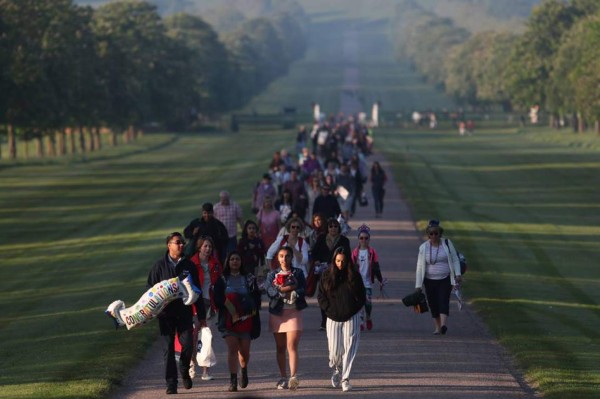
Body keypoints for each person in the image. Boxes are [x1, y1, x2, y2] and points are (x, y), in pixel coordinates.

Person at [146, 232, 207, 395]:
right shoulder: (159, 267)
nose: (182, 245)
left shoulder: (189, 266)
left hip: (184, 312)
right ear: (169, 245)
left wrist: (202, 316)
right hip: (165, 315)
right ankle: (171, 383)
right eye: (178, 242)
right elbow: (149, 291)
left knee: (187, 345)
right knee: (168, 349)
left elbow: (197, 291)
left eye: (183, 243)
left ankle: (184, 369)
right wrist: (148, 312)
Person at [318, 247, 366, 392]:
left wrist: (354, 309)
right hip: (333, 317)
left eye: (343, 261)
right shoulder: (327, 275)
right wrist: (328, 309)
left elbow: (362, 296)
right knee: (334, 350)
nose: (340, 264)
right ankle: (337, 369)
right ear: (334, 260)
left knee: (350, 347)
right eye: (338, 261)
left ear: (348, 262)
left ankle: (345, 378)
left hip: (351, 316)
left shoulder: (354, 276)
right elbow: (321, 296)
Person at [213, 251, 261, 392]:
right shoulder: (222, 279)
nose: (235, 262)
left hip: (246, 320)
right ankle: (233, 381)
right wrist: (229, 305)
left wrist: (247, 306)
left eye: (237, 259)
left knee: (244, 352)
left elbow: (256, 297)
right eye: (232, 259)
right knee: (232, 349)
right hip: (228, 320)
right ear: (228, 262)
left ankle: (244, 370)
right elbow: (217, 298)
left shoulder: (249, 278)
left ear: (241, 262)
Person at [265, 246, 307, 390]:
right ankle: (283, 376)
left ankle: (293, 377)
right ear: (277, 257)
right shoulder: (272, 274)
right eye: (281, 256)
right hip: (277, 313)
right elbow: (269, 290)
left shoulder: (298, 273)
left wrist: (294, 292)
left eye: (287, 256)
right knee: (280, 347)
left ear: (291, 258)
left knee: (292, 345)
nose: (284, 259)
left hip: (294, 311)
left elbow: (303, 289)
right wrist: (283, 290)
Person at [415, 220, 462, 335]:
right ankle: (437, 327)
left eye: (436, 233)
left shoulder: (447, 243)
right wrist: (418, 285)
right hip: (429, 280)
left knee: (443, 300)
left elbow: (455, 259)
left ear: (440, 233)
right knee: (433, 303)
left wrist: (458, 274)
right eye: (431, 234)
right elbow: (420, 267)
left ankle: (443, 325)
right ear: (428, 234)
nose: (434, 236)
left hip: (445, 278)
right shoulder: (423, 247)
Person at [189, 235, 222, 380]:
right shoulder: (191, 263)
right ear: (199, 247)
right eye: (205, 246)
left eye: (210, 246)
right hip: (195, 303)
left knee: (208, 337)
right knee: (193, 336)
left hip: (210, 303)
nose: (208, 249)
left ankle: (205, 371)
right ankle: (191, 365)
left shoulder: (215, 264)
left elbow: (220, 284)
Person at [310, 217, 351, 330]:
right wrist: (317, 260)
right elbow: (314, 253)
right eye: (330, 226)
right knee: (324, 295)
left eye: (335, 226)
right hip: (324, 273)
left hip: (338, 272)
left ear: (339, 228)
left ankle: (335, 318)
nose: (333, 228)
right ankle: (324, 321)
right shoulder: (321, 238)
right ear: (327, 228)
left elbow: (348, 255)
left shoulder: (344, 240)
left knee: (336, 295)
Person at [350, 224, 385, 331]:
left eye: (366, 238)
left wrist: (380, 279)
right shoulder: (355, 253)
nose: (364, 240)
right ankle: (360, 322)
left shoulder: (372, 252)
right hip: (358, 282)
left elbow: (376, 266)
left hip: (368, 281)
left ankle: (368, 317)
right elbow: (351, 268)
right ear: (358, 239)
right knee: (359, 303)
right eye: (361, 238)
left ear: (369, 239)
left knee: (368, 303)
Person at [213, 191, 244, 256]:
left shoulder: (235, 206)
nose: (224, 200)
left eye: (226, 198)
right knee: (222, 254)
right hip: (220, 236)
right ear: (220, 198)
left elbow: (240, 219)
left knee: (232, 253)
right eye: (223, 198)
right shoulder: (216, 207)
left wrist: (243, 230)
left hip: (232, 235)